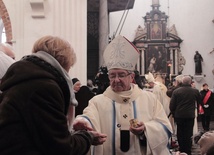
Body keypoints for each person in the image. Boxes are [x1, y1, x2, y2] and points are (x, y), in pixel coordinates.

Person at [0, 35, 107, 155]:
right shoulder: (43, 87)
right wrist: (87, 137)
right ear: (64, 62)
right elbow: (61, 148)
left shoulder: (24, 78)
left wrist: (68, 130)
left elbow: (41, 132)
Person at [73, 35, 172, 155]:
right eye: (112, 75)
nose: (116, 80)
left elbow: (164, 127)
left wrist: (145, 129)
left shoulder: (149, 99)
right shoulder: (97, 101)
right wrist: (83, 121)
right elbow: (89, 117)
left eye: (121, 75)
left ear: (131, 77)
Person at [169, 75, 201, 155]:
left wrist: (174, 114)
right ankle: (188, 150)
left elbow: (172, 105)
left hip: (179, 115)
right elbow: (200, 101)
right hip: (190, 115)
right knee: (189, 133)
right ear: (190, 82)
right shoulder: (195, 91)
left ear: (182, 82)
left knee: (180, 132)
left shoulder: (176, 91)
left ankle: (181, 149)